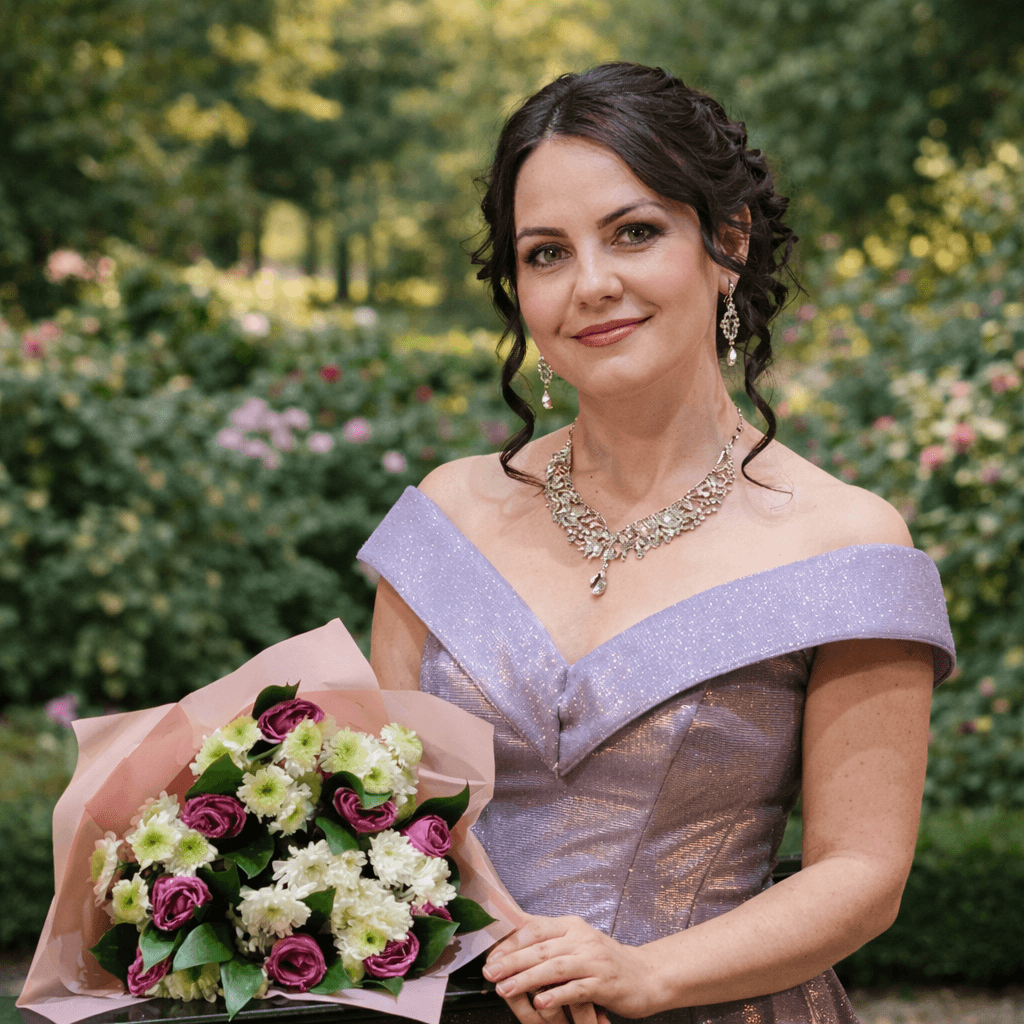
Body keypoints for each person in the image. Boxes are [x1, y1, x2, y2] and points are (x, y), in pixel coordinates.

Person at [358, 63, 954, 1024]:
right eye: (545, 253)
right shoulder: (449, 518)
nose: (591, 285)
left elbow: (863, 872)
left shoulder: (842, 539)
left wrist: (649, 976)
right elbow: (387, 809)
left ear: (727, 241)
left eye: (634, 232)